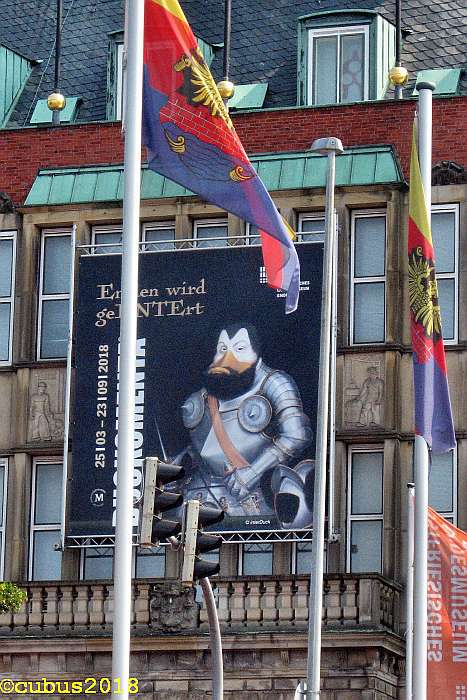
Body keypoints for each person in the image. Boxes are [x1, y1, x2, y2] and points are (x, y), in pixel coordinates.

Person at [176, 323, 312, 517]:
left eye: (239, 349)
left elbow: (296, 435)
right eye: (222, 349)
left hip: (254, 498)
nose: (227, 358)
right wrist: (182, 463)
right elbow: (205, 447)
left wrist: (253, 472)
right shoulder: (204, 396)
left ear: (256, 355)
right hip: (201, 495)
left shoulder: (275, 383)